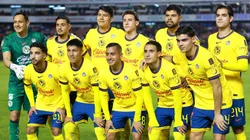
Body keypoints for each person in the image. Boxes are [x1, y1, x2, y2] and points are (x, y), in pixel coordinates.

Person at [176, 25, 232, 140]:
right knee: (194, 136)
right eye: (178, 40)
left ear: (193, 39)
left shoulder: (206, 58)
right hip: (201, 104)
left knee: (219, 137)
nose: (180, 44)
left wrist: (217, 114)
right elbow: (169, 59)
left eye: (184, 40)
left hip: (221, 103)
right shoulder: (180, 55)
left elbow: (217, 87)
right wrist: (147, 59)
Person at [83, 6, 128, 139]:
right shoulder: (91, 33)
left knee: (121, 117)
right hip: (99, 83)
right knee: (104, 119)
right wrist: (89, 65)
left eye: (105, 15)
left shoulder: (119, 33)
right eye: (99, 15)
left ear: (111, 19)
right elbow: (83, 50)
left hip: (116, 81)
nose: (101, 18)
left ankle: (124, 136)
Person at [1, 12, 47, 140]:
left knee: (32, 115)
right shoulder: (8, 39)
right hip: (16, 83)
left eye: (20, 21)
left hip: (34, 82)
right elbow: (6, 58)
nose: (17, 24)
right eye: (15, 22)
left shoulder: (38, 37)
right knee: (14, 115)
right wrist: (14, 67)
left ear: (27, 23)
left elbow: (49, 52)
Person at [208, 5, 248, 140]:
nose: (220, 18)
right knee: (220, 130)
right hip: (217, 91)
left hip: (234, 91)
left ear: (231, 19)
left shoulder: (239, 39)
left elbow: (243, 66)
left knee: (238, 128)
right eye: (218, 15)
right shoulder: (211, 38)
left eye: (223, 15)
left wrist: (221, 64)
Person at [154, 5, 194, 139]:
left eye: (173, 15)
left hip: (183, 88)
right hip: (163, 86)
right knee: (162, 128)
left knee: (185, 127)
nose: (169, 18)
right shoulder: (159, 34)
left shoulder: (187, 35)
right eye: (167, 15)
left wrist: (188, 78)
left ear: (180, 18)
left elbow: (194, 60)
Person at [141, 40, 192, 140]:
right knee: (153, 131)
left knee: (178, 133)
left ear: (159, 54)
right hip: (163, 104)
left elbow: (177, 97)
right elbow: (147, 97)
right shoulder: (143, 69)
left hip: (183, 103)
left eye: (151, 51)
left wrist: (178, 121)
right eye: (145, 51)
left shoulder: (169, 69)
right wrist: (152, 119)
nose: (147, 54)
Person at [46, 15, 86, 139]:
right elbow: (48, 63)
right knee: (53, 121)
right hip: (55, 89)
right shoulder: (50, 42)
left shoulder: (75, 40)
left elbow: (84, 60)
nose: (59, 27)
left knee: (70, 122)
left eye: (63, 25)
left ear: (69, 26)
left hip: (72, 88)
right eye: (57, 25)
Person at [59, 39, 105, 140]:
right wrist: (69, 114)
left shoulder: (90, 67)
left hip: (96, 103)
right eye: (69, 51)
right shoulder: (63, 68)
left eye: (74, 51)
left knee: (100, 130)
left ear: (81, 51)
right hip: (80, 101)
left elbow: (98, 93)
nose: (71, 54)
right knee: (68, 127)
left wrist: (98, 114)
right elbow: (65, 92)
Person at [99, 43, 147, 140]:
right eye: (107, 54)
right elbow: (103, 97)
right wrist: (108, 119)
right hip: (119, 107)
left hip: (136, 107)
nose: (109, 57)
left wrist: (137, 119)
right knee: (109, 134)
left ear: (121, 55)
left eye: (112, 54)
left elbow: (140, 96)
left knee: (136, 135)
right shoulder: (103, 73)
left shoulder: (131, 71)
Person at [24, 42, 64, 140]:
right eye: (31, 53)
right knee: (30, 129)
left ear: (44, 55)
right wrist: (32, 105)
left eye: (37, 53)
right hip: (40, 105)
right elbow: (27, 85)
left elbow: (66, 89)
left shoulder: (55, 69)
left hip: (57, 105)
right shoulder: (28, 70)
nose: (33, 56)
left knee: (56, 131)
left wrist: (62, 106)